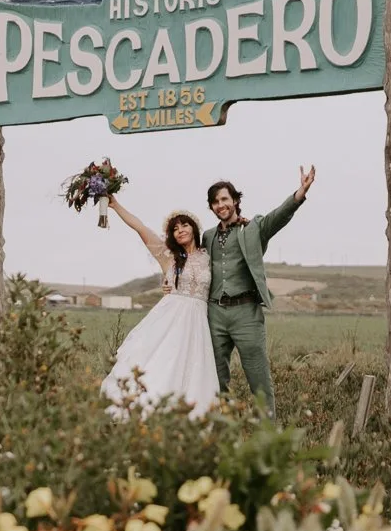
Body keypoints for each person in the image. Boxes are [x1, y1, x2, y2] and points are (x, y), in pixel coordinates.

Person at [204, 167, 316, 417]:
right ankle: (220, 426)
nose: (220, 205)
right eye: (215, 202)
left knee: (258, 374)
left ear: (235, 201)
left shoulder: (253, 228)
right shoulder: (207, 236)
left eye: (224, 199)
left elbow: (279, 216)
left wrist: (300, 193)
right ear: (211, 207)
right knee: (214, 374)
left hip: (246, 313)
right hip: (214, 313)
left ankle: (269, 428)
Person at [97, 196, 219, 416]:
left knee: (194, 369)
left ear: (194, 228)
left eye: (184, 225)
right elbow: (140, 227)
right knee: (164, 363)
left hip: (197, 323)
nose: (180, 230)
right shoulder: (169, 257)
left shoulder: (208, 257)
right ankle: (150, 411)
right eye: (175, 229)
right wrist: (115, 205)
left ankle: (188, 417)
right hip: (169, 319)